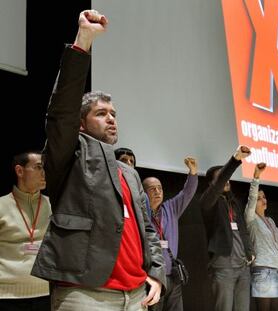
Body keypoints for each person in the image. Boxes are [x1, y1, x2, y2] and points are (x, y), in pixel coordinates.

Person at [31, 10, 166, 310]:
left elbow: (147, 229)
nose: (111, 119)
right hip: (85, 295)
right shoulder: (70, 154)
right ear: (81, 123)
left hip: (135, 296)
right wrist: (84, 42)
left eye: (114, 114)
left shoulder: (128, 173)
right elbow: (62, 112)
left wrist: (156, 273)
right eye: (101, 113)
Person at [200, 145, 254, 311]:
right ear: (212, 184)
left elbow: (243, 229)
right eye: (222, 178)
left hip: (243, 266)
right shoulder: (207, 202)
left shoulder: (233, 203)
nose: (227, 180)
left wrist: (249, 251)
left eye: (228, 178)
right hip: (224, 267)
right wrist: (234, 160)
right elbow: (218, 185)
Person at [143, 157, 198, 311]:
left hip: (173, 276)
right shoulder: (140, 213)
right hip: (153, 278)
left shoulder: (170, 208)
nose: (157, 191)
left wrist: (193, 172)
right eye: (152, 188)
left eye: (159, 188)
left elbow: (187, 193)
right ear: (143, 193)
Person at [0, 151, 52, 310]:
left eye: (45, 167)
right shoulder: (1, 205)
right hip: (7, 296)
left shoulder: (54, 205)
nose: (44, 173)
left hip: (47, 294)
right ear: (20, 171)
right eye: (38, 167)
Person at [244, 163, 278, 311]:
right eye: (259, 197)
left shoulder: (271, 221)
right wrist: (256, 177)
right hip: (262, 269)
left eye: (264, 197)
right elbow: (251, 200)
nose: (263, 200)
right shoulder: (251, 218)